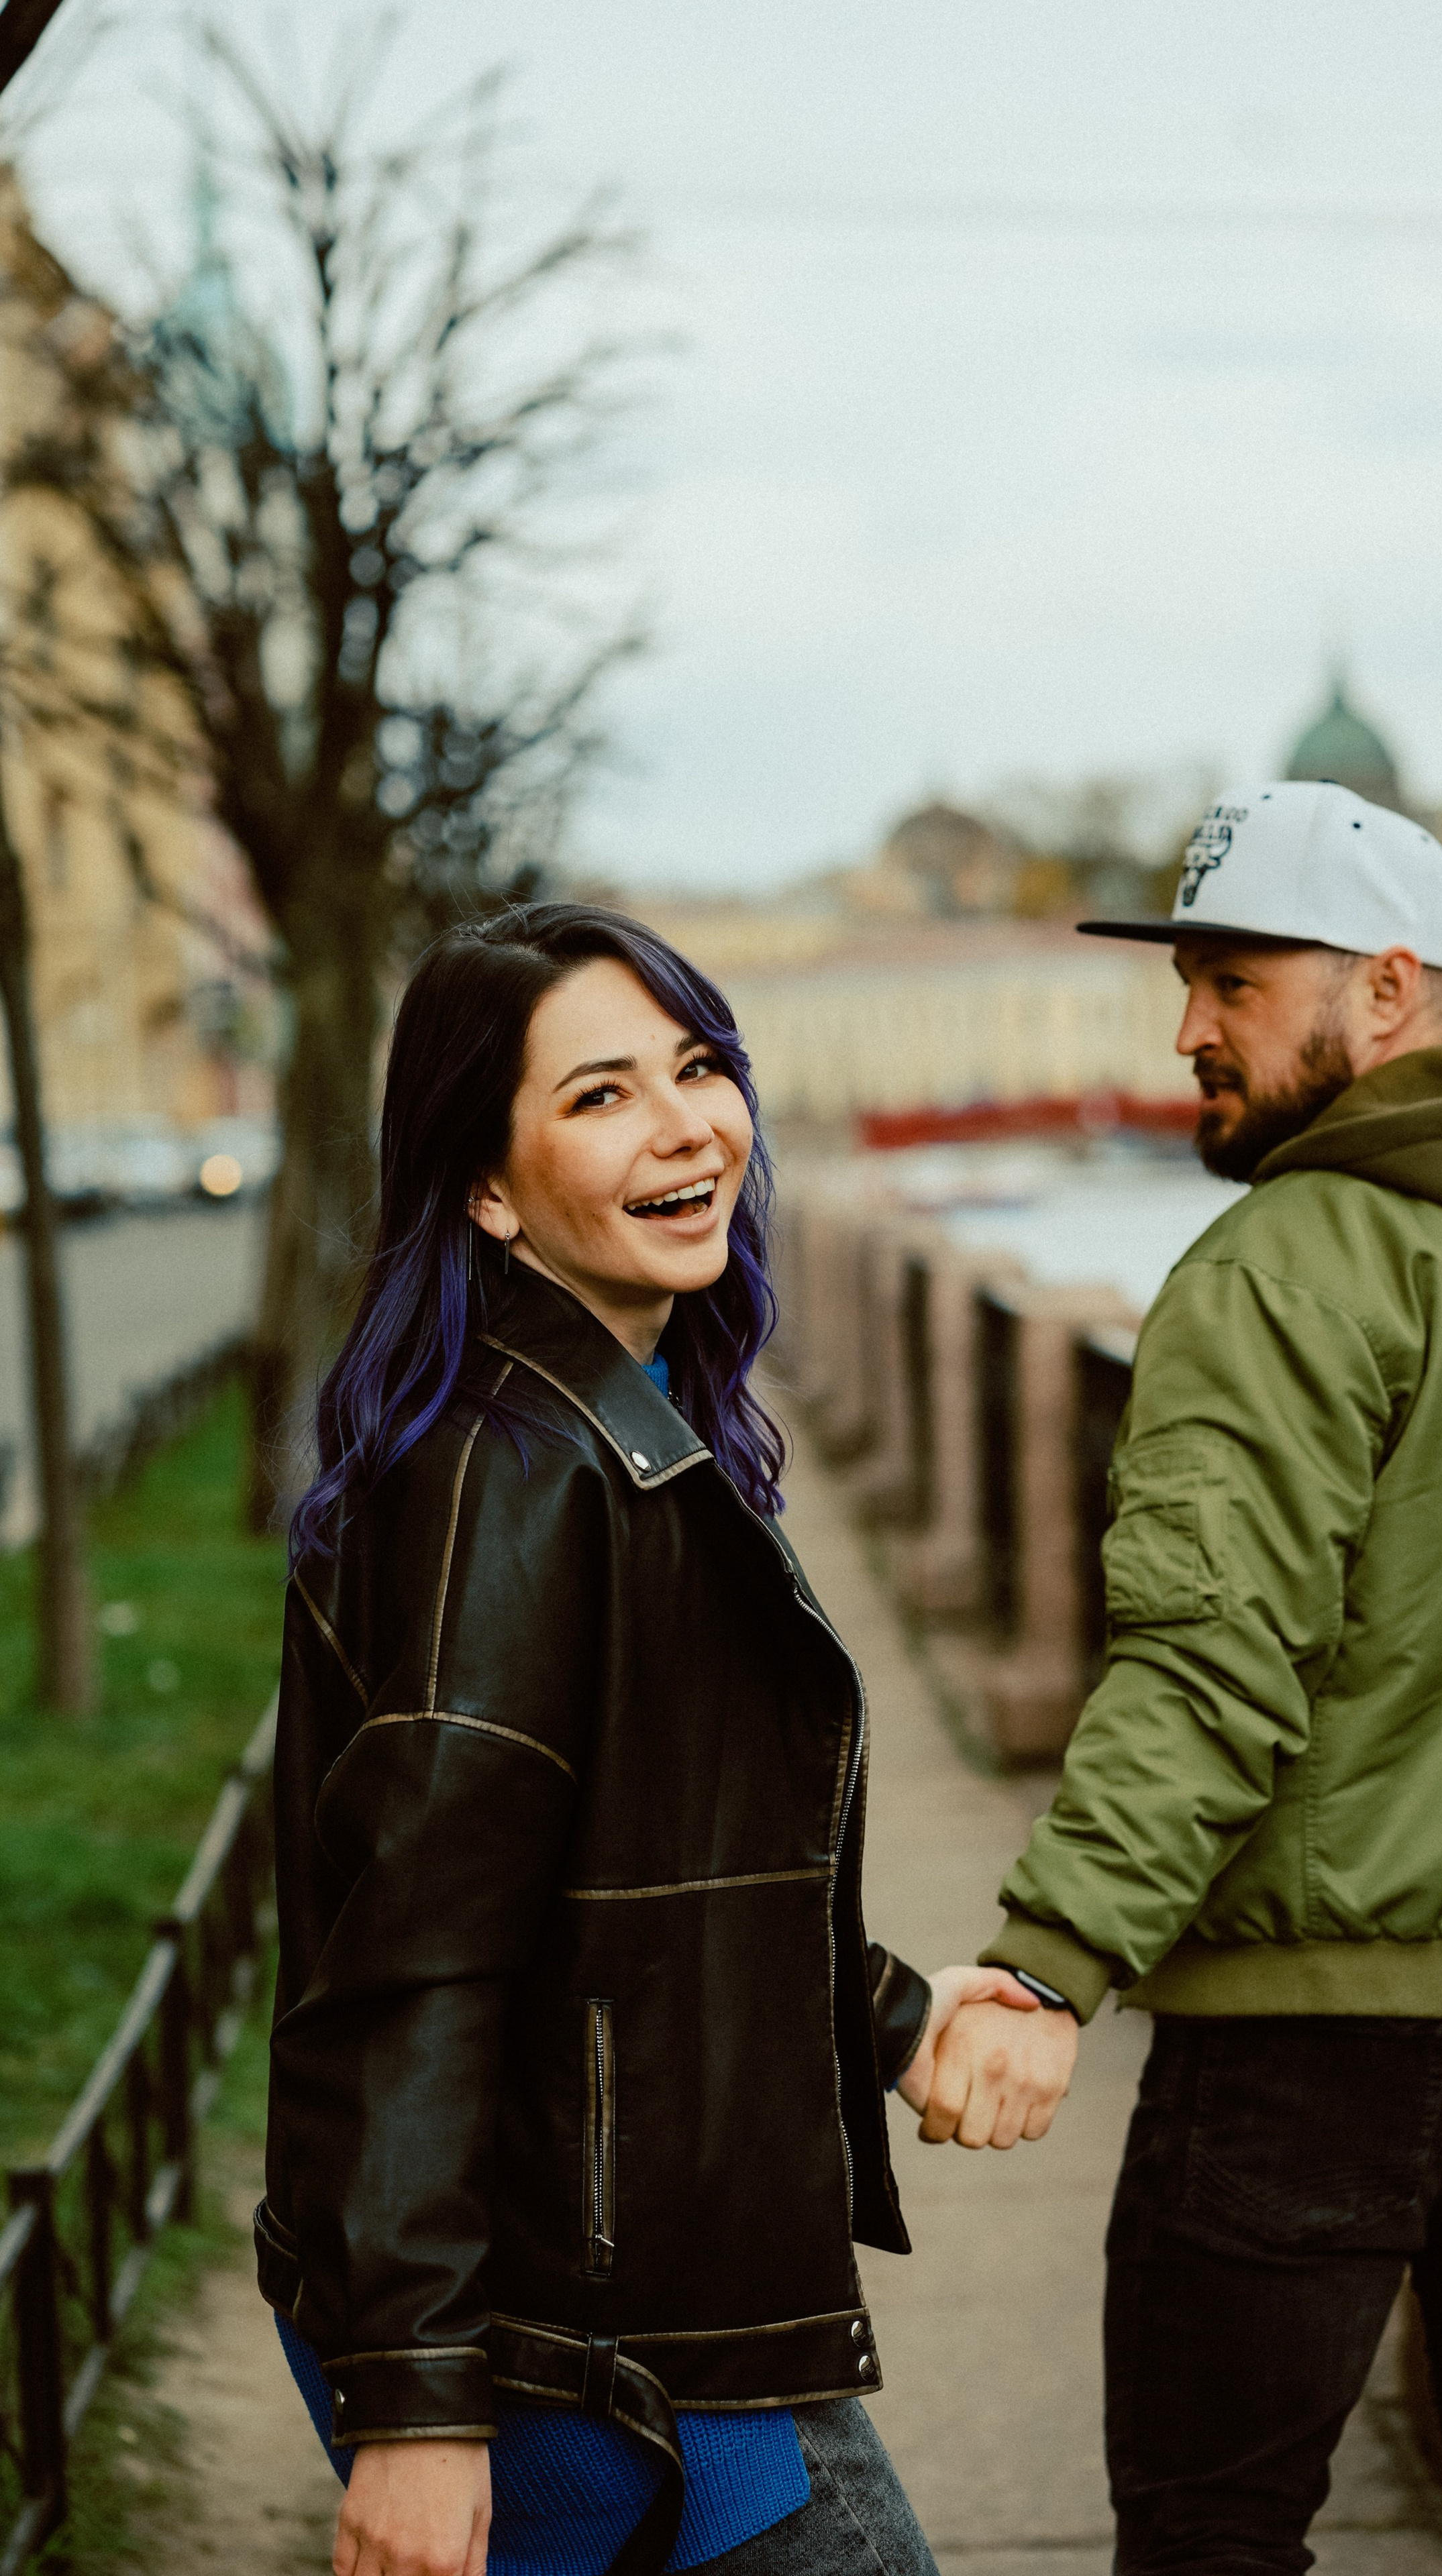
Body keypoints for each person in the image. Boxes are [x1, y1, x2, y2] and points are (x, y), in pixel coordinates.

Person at [921, 781, 1442, 2573]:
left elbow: (1210, 1666)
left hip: (1315, 2035)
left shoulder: (1285, 1265)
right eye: (1186, 983)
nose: (1189, 1029)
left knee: (1215, 2536)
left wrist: (1050, 1970)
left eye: (1234, 981)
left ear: (1381, 990)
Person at [259, 904, 1039, 2576]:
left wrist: (888, 2016)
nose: (688, 1123)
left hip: (636, 2303)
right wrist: (414, 2406)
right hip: (596, 2348)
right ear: (484, 1185)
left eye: (698, 1067)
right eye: (601, 1095)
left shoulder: (618, 1438)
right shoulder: (515, 1484)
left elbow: (635, 1886)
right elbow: (411, 1970)